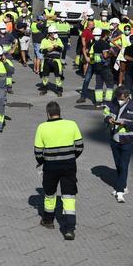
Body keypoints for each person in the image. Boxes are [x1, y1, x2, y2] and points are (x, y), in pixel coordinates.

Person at [34, 101, 83, 239]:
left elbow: (38, 152)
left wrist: (42, 161)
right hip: (69, 166)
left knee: (50, 194)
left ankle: (48, 221)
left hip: (50, 167)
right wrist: (71, 158)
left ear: (48, 114)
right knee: (68, 196)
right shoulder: (72, 124)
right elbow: (79, 146)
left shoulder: (42, 127)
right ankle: (69, 229)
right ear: (59, 112)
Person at [103, 86, 133, 203]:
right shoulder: (113, 103)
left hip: (127, 140)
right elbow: (105, 113)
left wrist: (125, 123)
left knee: (123, 165)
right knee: (118, 164)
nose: (119, 100)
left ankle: (120, 191)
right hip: (114, 139)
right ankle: (124, 186)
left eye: (121, 99)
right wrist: (108, 119)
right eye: (117, 98)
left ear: (127, 97)